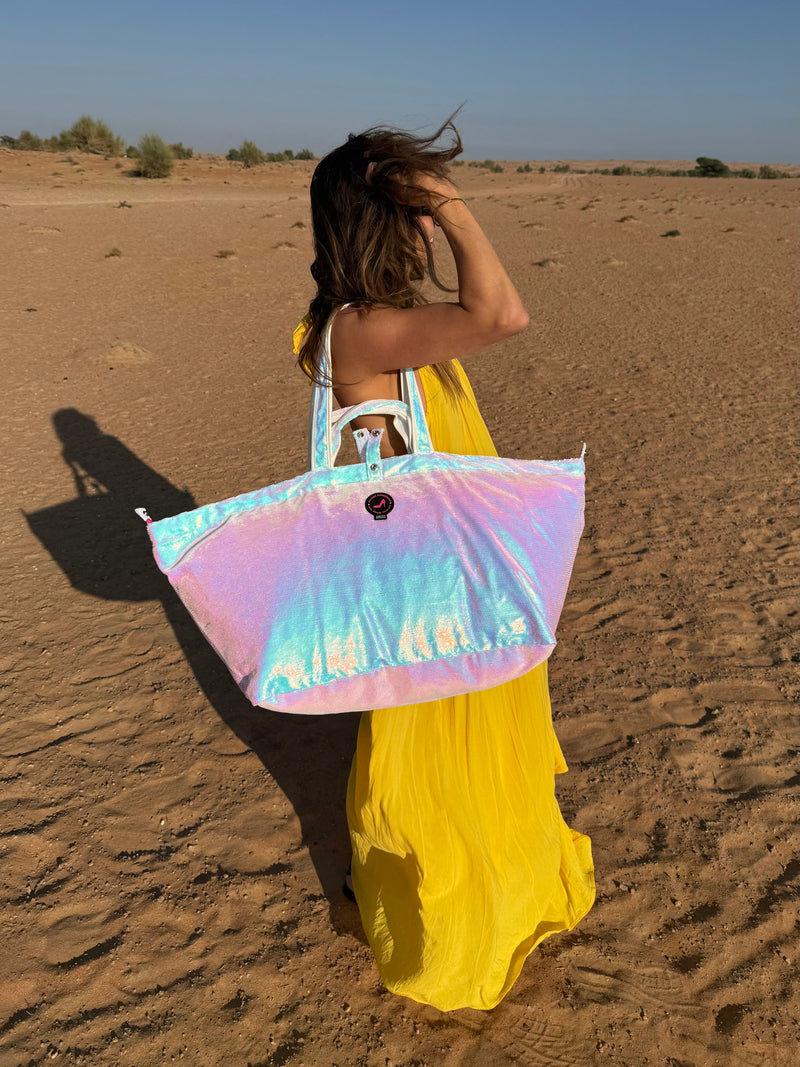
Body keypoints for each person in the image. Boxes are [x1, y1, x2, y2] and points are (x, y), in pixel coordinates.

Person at [293, 117, 595, 1012]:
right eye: (415, 212)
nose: (426, 229)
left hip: (451, 564)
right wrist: (460, 212)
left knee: (472, 737)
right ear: (383, 222)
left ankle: (472, 890)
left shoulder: (377, 325)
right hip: (431, 583)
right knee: (434, 754)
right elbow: (503, 312)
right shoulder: (359, 330)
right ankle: (437, 926)